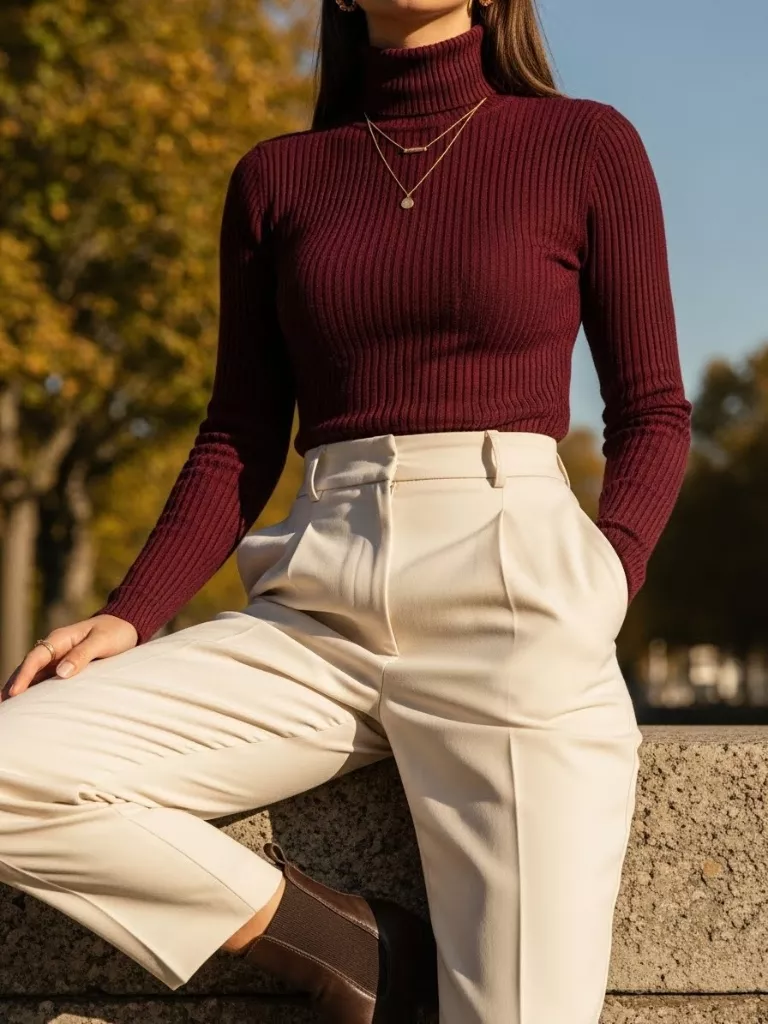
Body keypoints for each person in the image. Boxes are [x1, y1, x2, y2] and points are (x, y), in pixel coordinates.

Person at [0, 0, 692, 1020]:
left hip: (516, 599)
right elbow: (239, 431)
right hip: (317, 605)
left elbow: (653, 410)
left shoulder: (584, 144)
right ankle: (344, 948)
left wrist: (605, 580)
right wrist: (130, 611)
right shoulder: (278, 177)